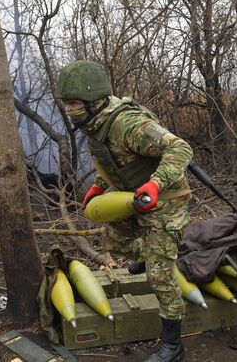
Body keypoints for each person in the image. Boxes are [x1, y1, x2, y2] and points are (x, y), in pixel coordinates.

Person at [56, 60, 193, 361]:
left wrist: (156, 185)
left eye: (74, 103)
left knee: (160, 276)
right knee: (114, 242)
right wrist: (98, 185)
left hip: (166, 199)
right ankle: (147, 254)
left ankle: (173, 345)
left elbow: (180, 149)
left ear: (94, 101)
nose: (69, 109)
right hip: (133, 195)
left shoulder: (127, 124)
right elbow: (115, 159)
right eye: (65, 103)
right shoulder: (96, 124)